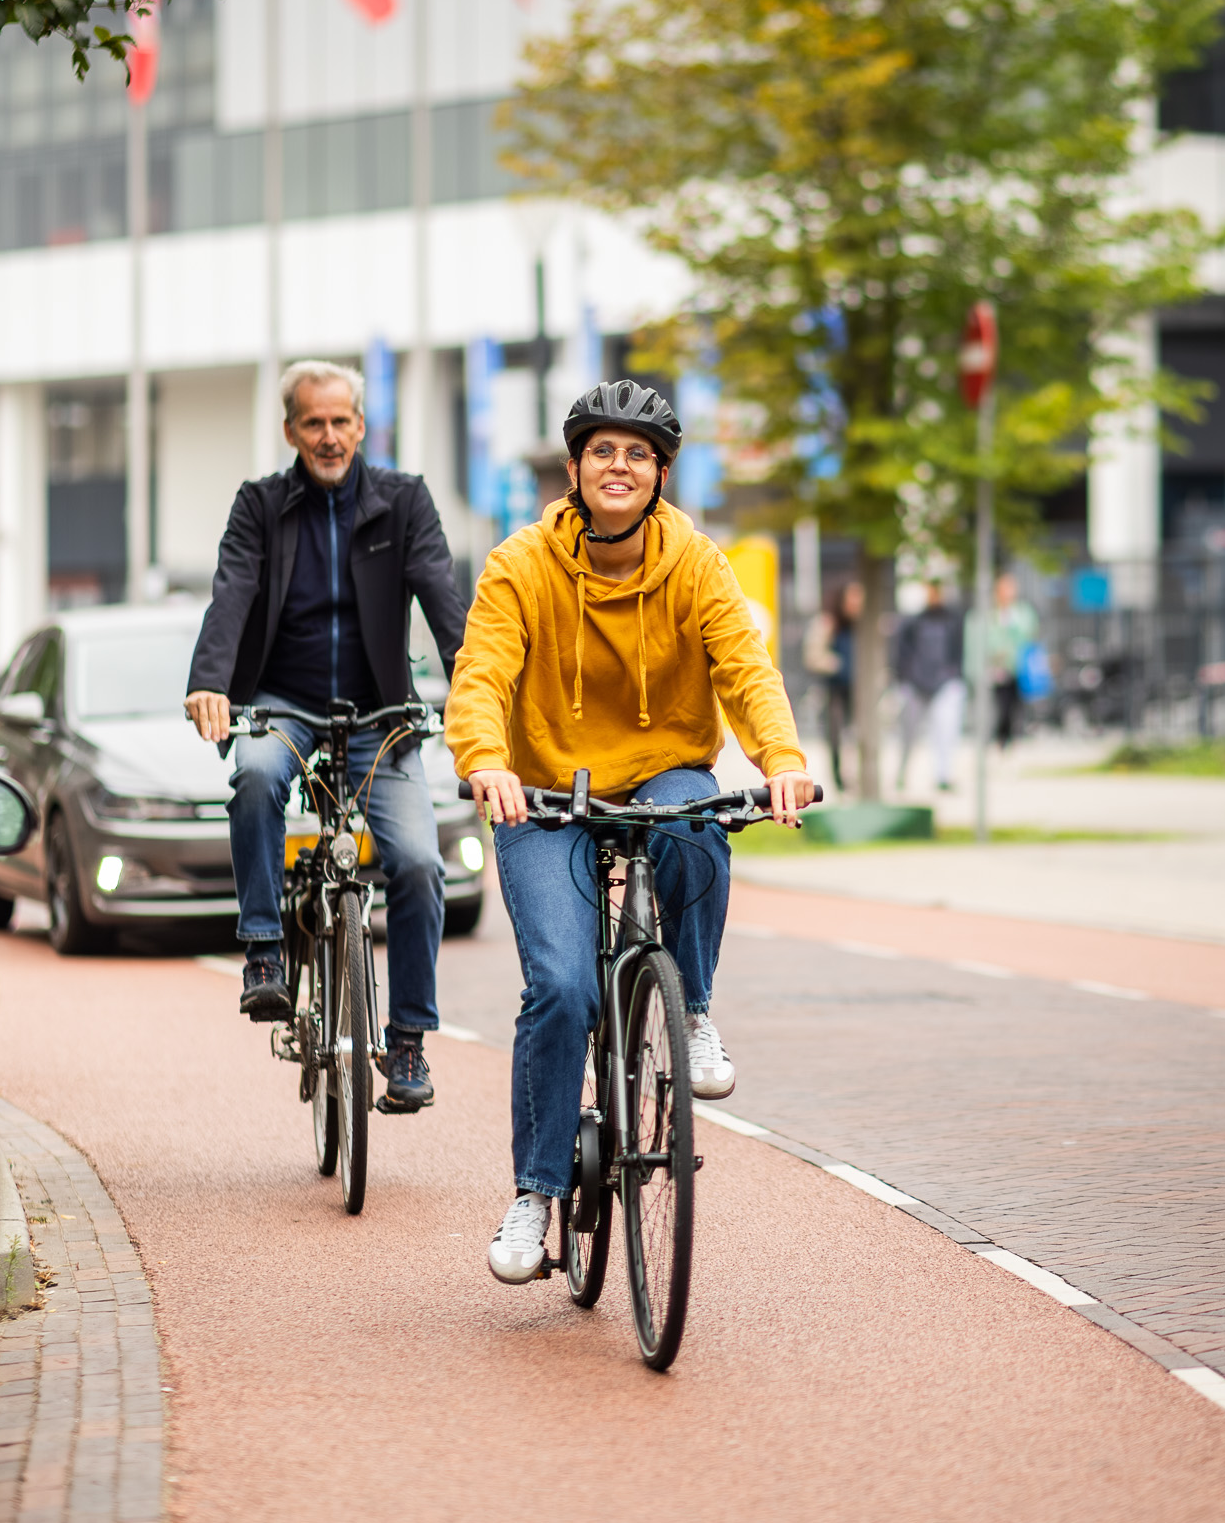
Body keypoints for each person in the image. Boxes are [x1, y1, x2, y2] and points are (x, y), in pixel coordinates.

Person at [444, 378, 816, 1285]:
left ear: (659, 476)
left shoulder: (695, 562)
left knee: (697, 828)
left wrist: (781, 758)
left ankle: (687, 1010)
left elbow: (745, 667)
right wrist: (485, 760)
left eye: (638, 454)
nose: (620, 466)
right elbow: (481, 675)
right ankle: (534, 1194)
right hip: (542, 792)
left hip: (660, 774)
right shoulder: (519, 564)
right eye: (602, 450)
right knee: (563, 988)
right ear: (574, 469)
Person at [184, 359, 466, 1112]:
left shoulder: (405, 503)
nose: (330, 436)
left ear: (362, 426)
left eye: (342, 421)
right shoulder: (261, 507)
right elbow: (232, 593)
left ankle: (405, 1040)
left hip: (379, 712)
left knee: (416, 865)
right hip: (286, 701)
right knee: (254, 776)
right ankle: (264, 954)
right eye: (314, 422)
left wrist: (475, 690)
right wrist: (210, 681)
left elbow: (443, 599)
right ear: (291, 431)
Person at [894, 580, 965, 793]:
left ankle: (942, 774)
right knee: (908, 733)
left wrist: (953, 677)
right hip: (916, 684)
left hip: (943, 683)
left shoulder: (953, 620)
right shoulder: (914, 621)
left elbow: (957, 653)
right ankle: (902, 773)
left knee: (945, 731)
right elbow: (902, 653)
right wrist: (906, 679)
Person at [966, 572, 1040, 748]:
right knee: (1001, 704)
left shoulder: (1021, 612)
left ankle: (1012, 738)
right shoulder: (990, 614)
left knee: (1016, 704)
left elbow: (1029, 633)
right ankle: (1001, 740)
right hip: (998, 668)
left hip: (1019, 667)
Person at [803, 580, 864, 792]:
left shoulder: (862, 626)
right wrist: (838, 665)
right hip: (835, 689)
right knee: (836, 736)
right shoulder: (828, 624)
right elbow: (813, 655)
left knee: (856, 736)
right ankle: (840, 780)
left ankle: (856, 778)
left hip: (858, 690)